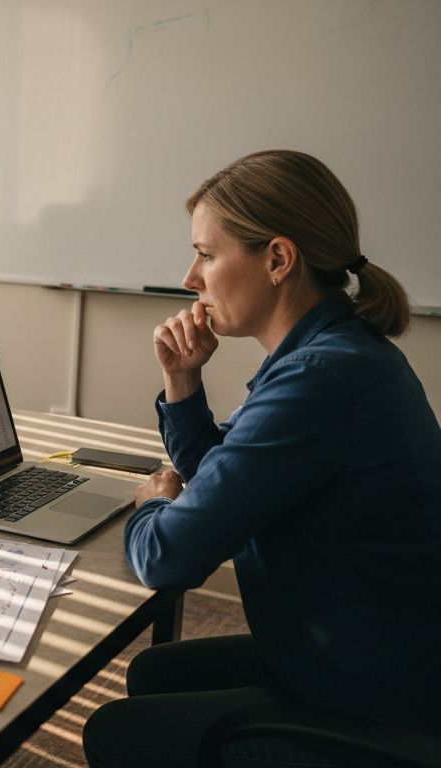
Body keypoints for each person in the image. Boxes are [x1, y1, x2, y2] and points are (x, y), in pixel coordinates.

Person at [82, 150, 441, 767]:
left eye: (207, 253)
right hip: (382, 655)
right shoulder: (340, 353)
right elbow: (233, 479)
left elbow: (168, 557)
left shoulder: (317, 380)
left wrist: (152, 505)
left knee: (115, 731)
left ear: (277, 259)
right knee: (154, 672)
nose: (191, 278)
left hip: (372, 702)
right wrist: (183, 383)